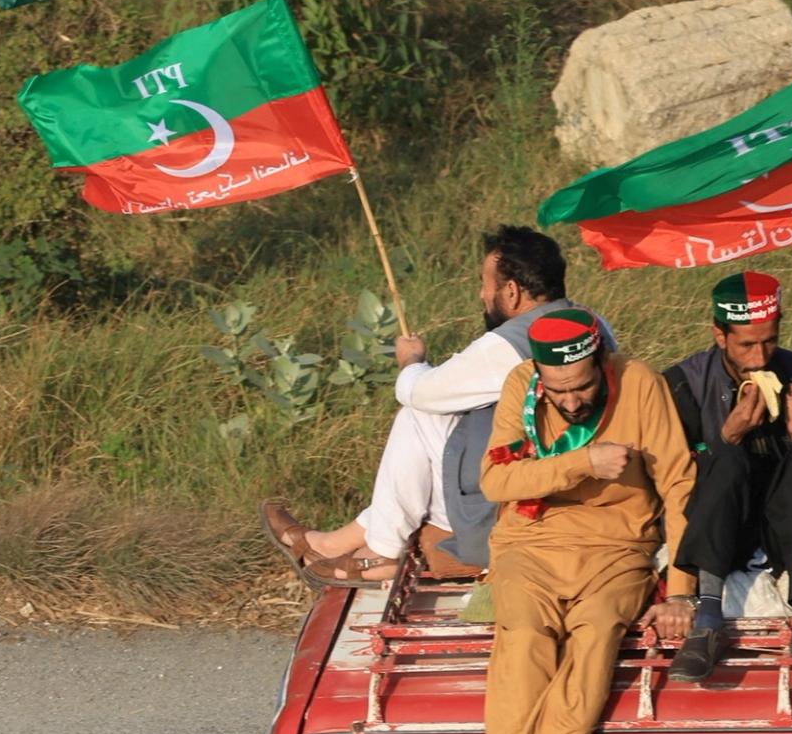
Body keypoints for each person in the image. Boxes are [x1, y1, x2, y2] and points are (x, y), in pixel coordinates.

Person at [259, 227, 611, 585]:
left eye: (485, 284)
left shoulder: (511, 344)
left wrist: (412, 361)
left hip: (530, 485)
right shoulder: (589, 322)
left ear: (511, 291)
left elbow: (422, 391)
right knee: (444, 423)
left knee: (420, 415)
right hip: (569, 468)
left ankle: (378, 550)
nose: (481, 294)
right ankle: (346, 540)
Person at [476, 309, 697, 734]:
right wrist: (582, 462)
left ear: (603, 364)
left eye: (584, 388)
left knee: (597, 637)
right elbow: (496, 481)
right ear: (541, 379)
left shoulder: (640, 383)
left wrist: (682, 589)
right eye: (560, 393)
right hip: (531, 542)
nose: (572, 403)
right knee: (522, 638)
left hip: (617, 547)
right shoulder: (521, 387)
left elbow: (679, 485)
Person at [664, 271, 792, 681]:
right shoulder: (684, 383)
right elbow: (679, 476)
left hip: (783, 523)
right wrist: (729, 437)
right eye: (746, 344)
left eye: (770, 341)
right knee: (727, 459)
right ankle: (708, 619)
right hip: (720, 523)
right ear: (719, 335)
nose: (760, 356)